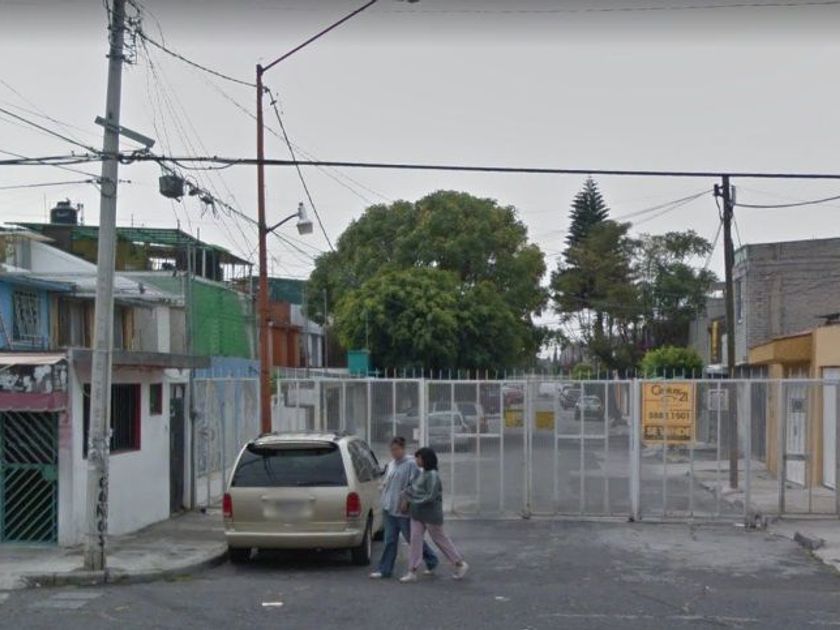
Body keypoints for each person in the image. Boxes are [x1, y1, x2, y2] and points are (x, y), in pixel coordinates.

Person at [369, 437, 438, 579]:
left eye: (396, 449)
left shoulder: (411, 464)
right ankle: (385, 569)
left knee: (412, 539)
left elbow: (416, 485)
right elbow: (387, 482)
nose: (394, 452)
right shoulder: (391, 464)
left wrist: (406, 500)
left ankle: (431, 559)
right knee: (390, 540)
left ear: (403, 448)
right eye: (392, 450)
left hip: (403, 511)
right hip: (389, 508)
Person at [400, 447, 469, 583]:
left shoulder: (432, 475)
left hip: (430, 515)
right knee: (415, 541)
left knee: (440, 540)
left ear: (425, 459)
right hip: (417, 514)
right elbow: (413, 489)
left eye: (419, 458)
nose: (416, 460)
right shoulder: (422, 473)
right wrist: (405, 496)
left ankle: (459, 563)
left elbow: (430, 496)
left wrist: (412, 500)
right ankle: (412, 570)